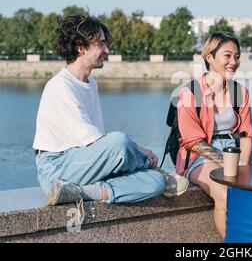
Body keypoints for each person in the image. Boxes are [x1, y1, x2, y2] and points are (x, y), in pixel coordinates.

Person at [33, 14, 180, 208]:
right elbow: (102, 143)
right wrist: (141, 152)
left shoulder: (90, 83)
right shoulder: (61, 86)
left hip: (83, 164)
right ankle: (145, 166)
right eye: (100, 44)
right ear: (81, 48)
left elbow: (98, 144)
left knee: (155, 182)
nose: (107, 50)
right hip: (57, 167)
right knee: (120, 141)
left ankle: (83, 192)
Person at [176, 32, 252, 239]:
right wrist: (227, 163)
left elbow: (246, 133)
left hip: (234, 152)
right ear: (209, 57)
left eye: (237, 57)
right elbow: (192, 141)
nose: (233, 62)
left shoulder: (241, 92)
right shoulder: (190, 92)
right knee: (226, 193)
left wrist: (245, 164)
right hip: (199, 156)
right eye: (227, 56)